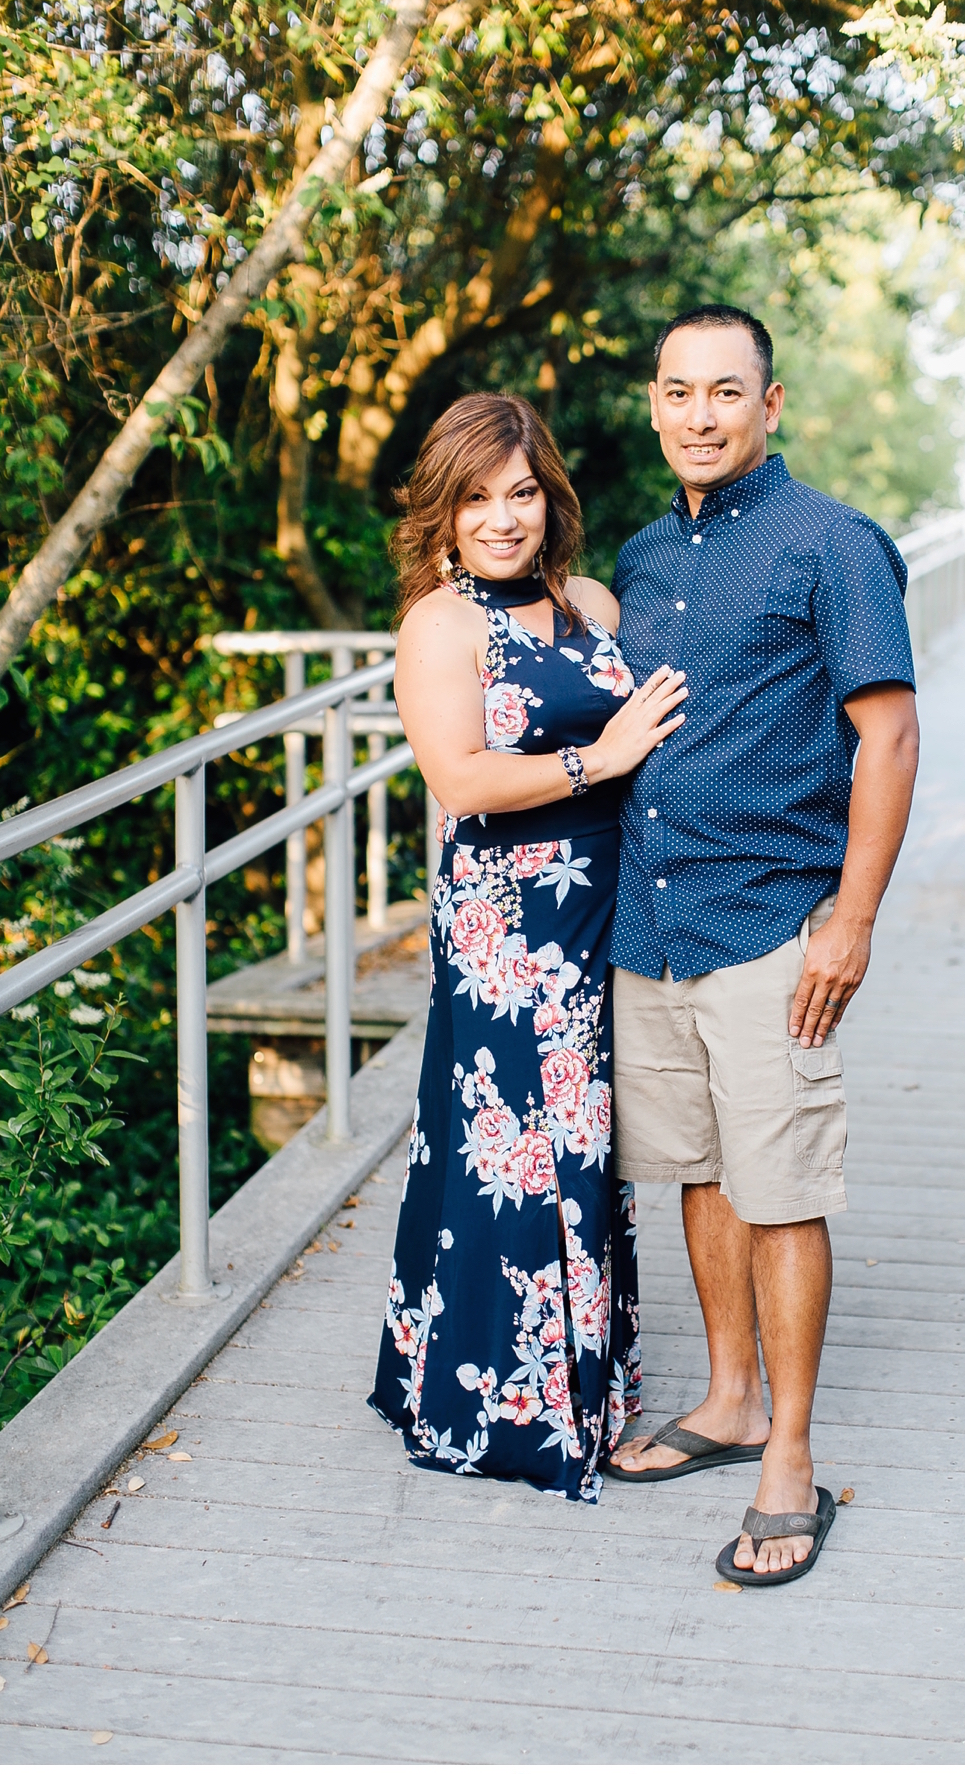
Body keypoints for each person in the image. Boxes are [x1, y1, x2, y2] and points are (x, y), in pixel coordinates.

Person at [604, 306, 920, 1586]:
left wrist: (848, 920)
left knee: (780, 1182)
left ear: (769, 404)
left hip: (765, 920)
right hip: (649, 920)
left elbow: (888, 738)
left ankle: (787, 1450)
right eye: (677, 391)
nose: (698, 414)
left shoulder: (832, 546)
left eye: (723, 392)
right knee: (698, 1168)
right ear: (653, 402)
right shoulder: (633, 557)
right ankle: (728, 1396)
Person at [367, 393, 687, 1503]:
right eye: (475, 500)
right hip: (508, 925)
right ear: (443, 516)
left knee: (586, 1145)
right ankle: (513, 1404)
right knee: (517, 1151)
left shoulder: (591, 601)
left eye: (520, 493)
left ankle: (582, 1376)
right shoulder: (437, 626)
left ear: (550, 498)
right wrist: (601, 758)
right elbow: (459, 778)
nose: (501, 519)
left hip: (610, 905)